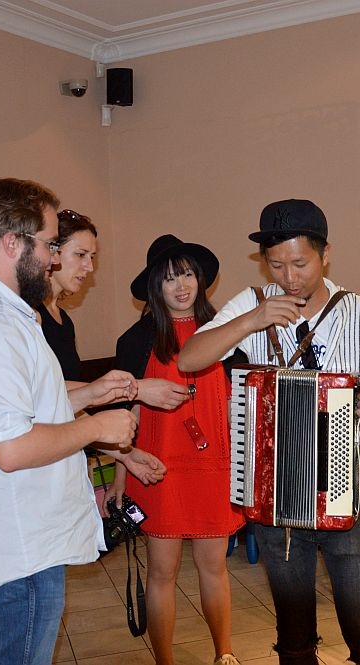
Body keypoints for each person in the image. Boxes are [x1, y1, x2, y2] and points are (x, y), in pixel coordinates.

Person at [178, 199, 360, 665]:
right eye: (276, 265)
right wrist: (252, 320)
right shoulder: (251, 303)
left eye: (299, 263)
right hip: (276, 494)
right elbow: (189, 358)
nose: (289, 277)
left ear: (325, 254)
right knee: (292, 632)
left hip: (347, 495)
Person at [0, 177, 167, 665]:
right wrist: (98, 428)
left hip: (20, 538)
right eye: (47, 244)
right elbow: (12, 447)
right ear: (11, 243)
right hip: (17, 546)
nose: (53, 259)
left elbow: (27, 403)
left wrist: (92, 393)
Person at [112, 234, 245, 665]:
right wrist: (120, 473)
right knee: (161, 573)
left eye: (187, 274)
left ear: (200, 279)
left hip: (215, 468)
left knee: (215, 568)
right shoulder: (136, 339)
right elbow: (124, 411)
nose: (181, 285)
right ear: (156, 285)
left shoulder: (223, 332)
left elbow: (240, 403)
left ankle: (224, 653)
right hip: (157, 469)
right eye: (169, 278)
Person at [37, 208, 97, 382]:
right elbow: (42, 389)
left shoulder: (65, 321)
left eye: (91, 257)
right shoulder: (30, 314)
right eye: (80, 254)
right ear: (52, 252)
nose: (90, 267)